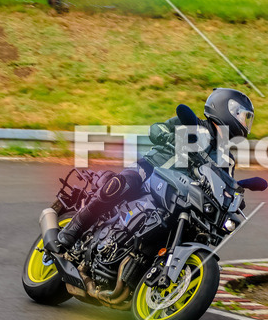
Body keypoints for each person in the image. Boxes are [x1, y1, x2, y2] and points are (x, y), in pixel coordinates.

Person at [53, 87, 255, 252]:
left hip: (181, 194)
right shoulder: (191, 124)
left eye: (247, 118)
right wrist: (167, 136)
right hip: (152, 169)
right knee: (121, 184)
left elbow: (224, 186)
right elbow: (156, 129)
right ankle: (74, 228)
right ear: (223, 108)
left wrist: (235, 197)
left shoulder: (227, 159)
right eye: (242, 115)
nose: (245, 122)